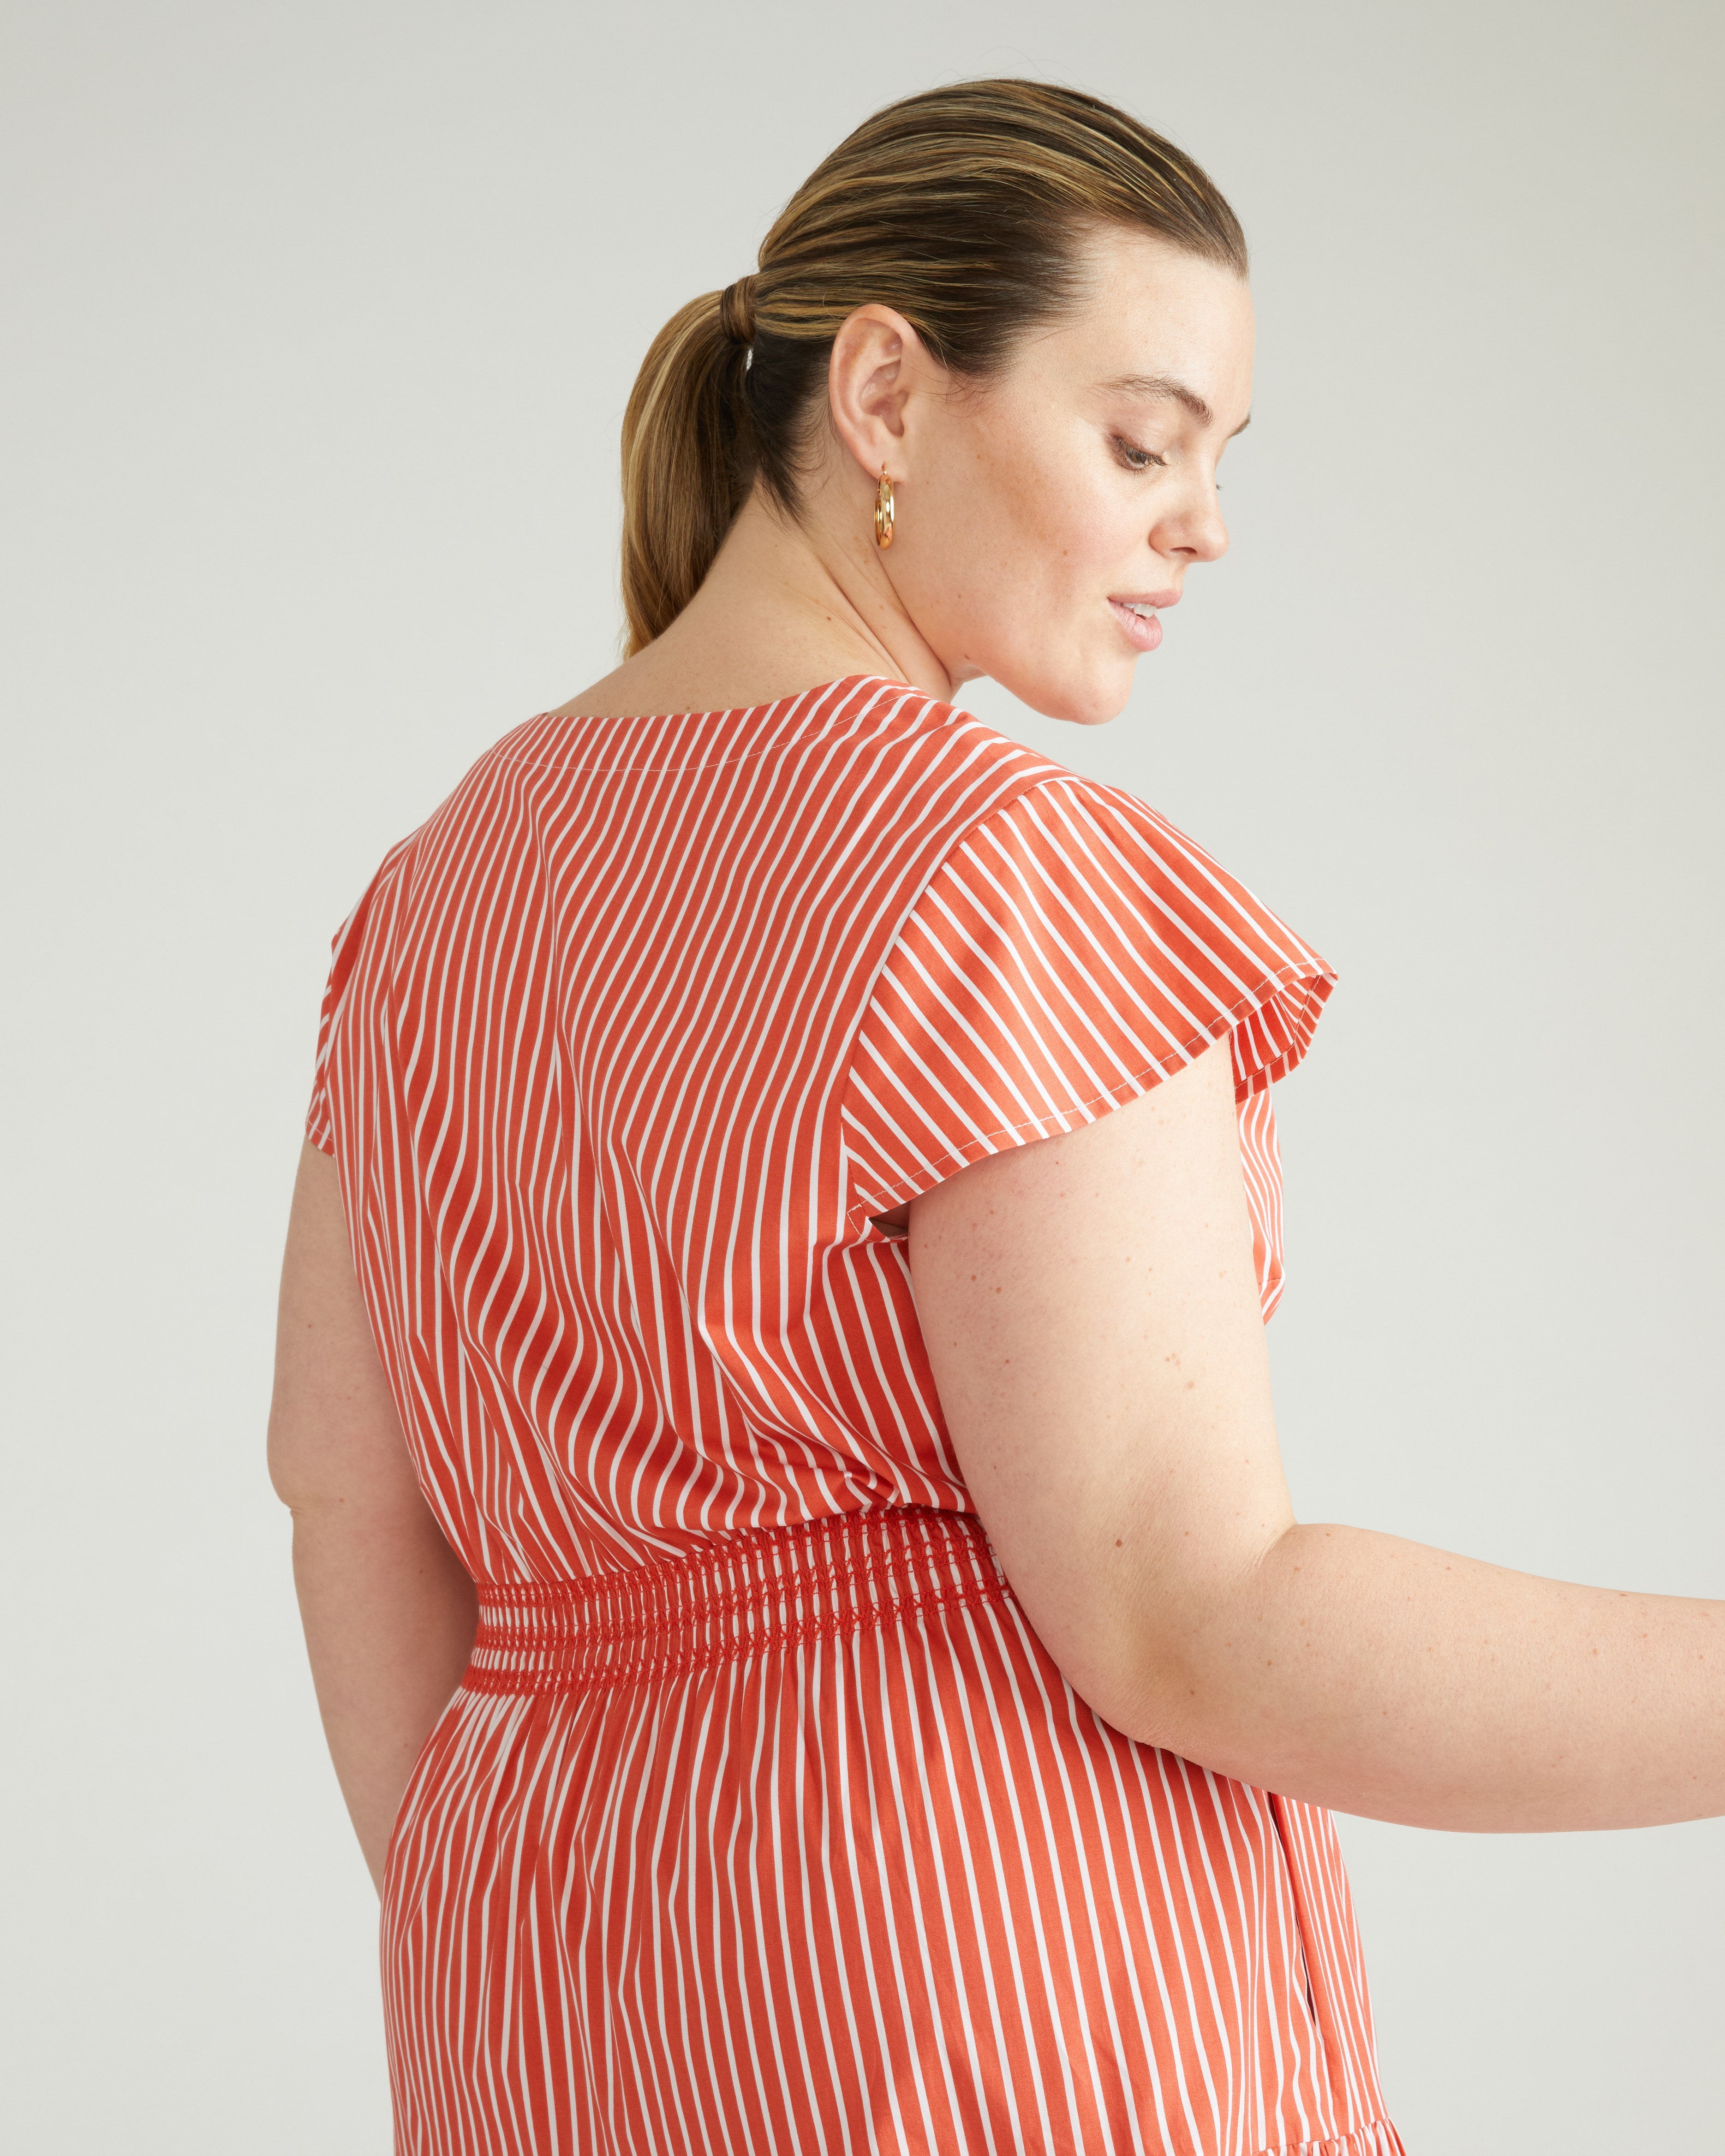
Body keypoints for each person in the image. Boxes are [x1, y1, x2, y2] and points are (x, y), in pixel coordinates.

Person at [267, 78, 1723, 2156]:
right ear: (882, 393)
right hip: (973, 1987)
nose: (1201, 523)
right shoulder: (988, 864)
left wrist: (524, 1925)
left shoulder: (436, 891)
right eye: (1140, 442)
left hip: (537, 1999)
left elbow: (346, 1497)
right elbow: (1188, 1610)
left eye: (1216, 458)